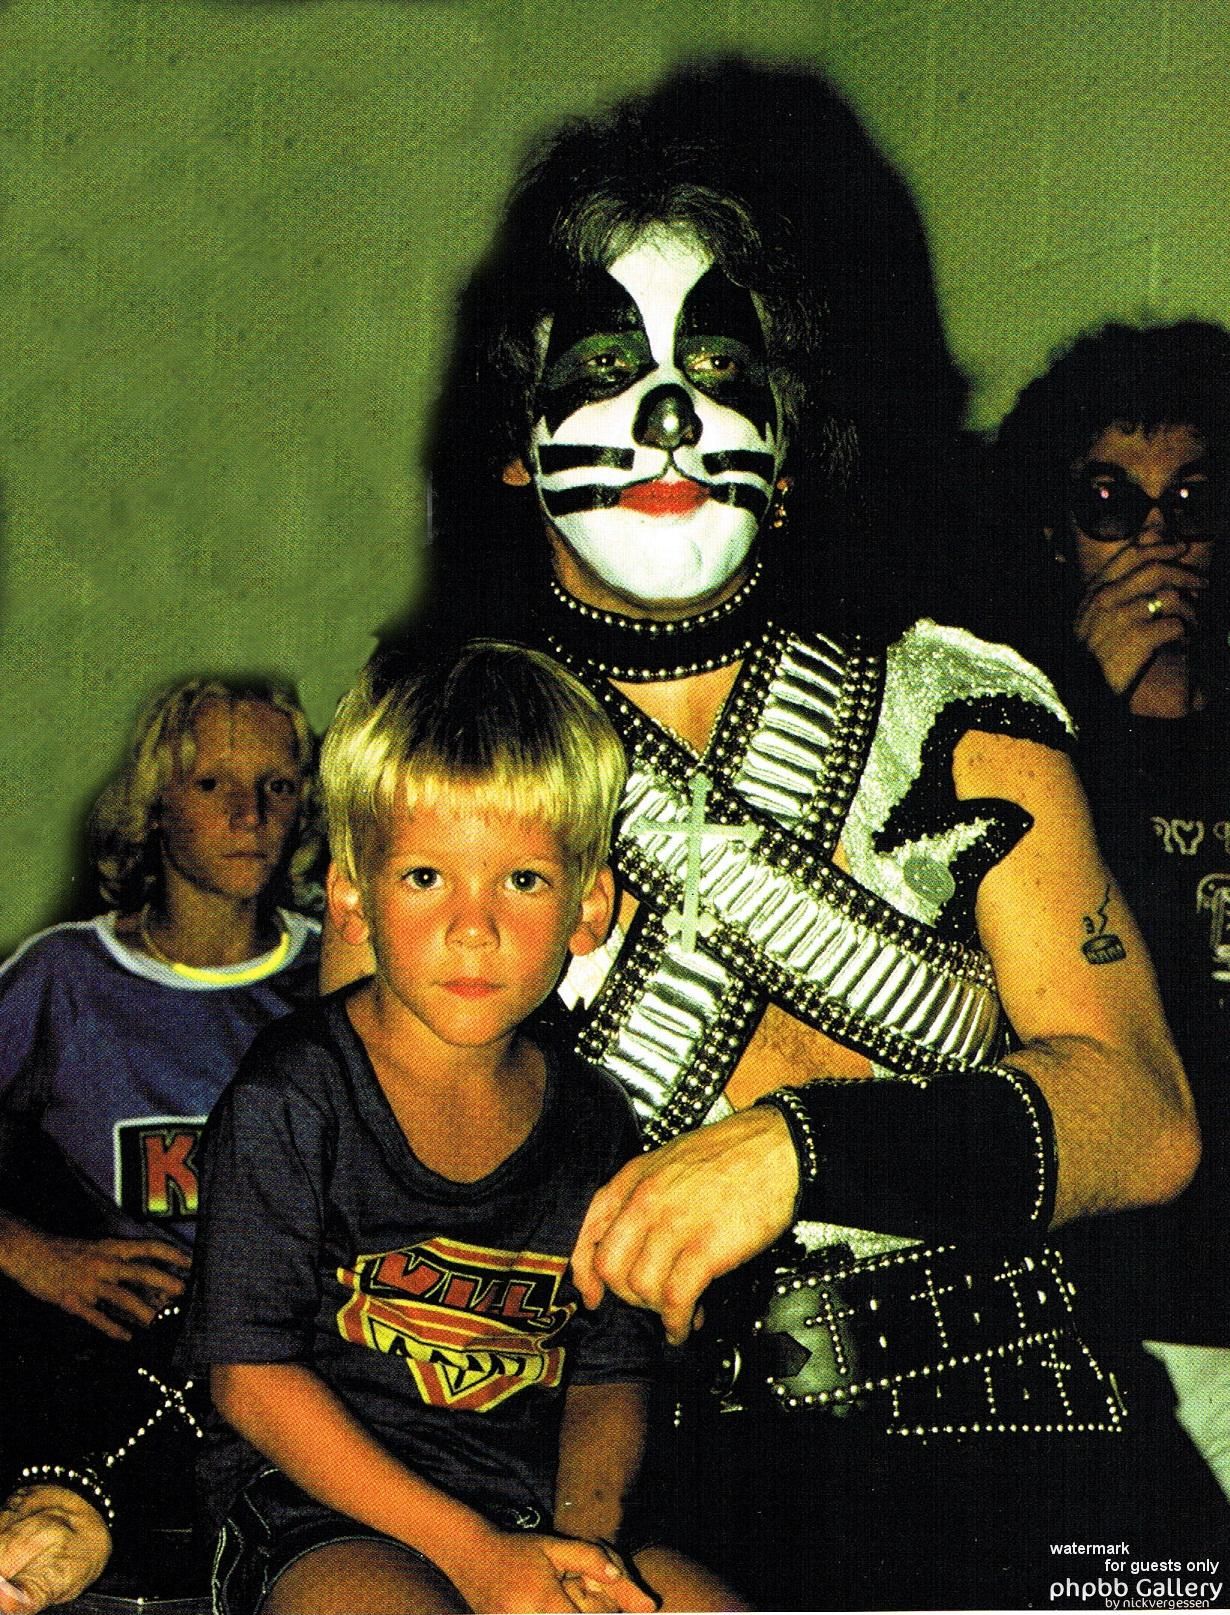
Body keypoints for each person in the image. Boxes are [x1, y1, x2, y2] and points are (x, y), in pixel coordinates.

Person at [335, 63, 1217, 1608]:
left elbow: (1142, 1115)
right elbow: (353, 1198)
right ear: (512, 440)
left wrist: (799, 1149)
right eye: (606, 363)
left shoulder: (958, 710)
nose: (670, 413)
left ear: (790, 438)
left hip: (1022, 1421)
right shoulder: (432, 764)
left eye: (720, 364)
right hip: (648, 1454)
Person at [182, 642, 742, 1615]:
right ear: (352, 895)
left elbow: (610, 1372)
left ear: (588, 903)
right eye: (428, 877)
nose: (473, 927)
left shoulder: (596, 1122)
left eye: (522, 881)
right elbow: (248, 1380)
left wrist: (582, 1554)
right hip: (321, 1514)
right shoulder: (294, 1097)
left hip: (532, 1512)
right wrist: (474, 1556)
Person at [0, 675, 321, 1612]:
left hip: (295, 1369)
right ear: (152, 805)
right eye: (213, 785)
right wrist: (34, 1253)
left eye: (278, 786)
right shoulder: (67, 977)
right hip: (111, 1374)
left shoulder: (335, 971)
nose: (251, 814)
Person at [993, 319, 1230, 1501]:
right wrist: (1081, 709)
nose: (1152, 540)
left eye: (1188, 502)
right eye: (1109, 502)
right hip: (1100, 1315)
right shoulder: (1008, 742)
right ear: (1055, 530)